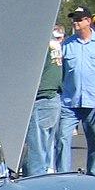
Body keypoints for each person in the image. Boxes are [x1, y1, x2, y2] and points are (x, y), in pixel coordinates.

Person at [58, 8, 95, 177]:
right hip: (70, 102)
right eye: (73, 19)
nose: (75, 22)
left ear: (88, 21)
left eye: (79, 19)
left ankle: (93, 176)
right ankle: (63, 177)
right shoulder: (67, 44)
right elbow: (60, 72)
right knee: (62, 138)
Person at [22, 30, 64, 177]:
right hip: (52, 97)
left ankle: (36, 181)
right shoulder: (52, 42)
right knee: (44, 150)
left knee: (36, 153)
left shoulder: (39, 42)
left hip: (41, 98)